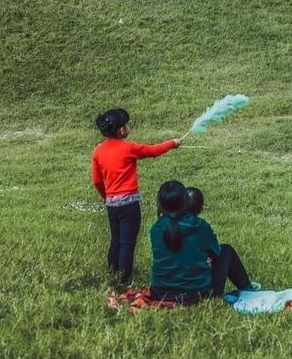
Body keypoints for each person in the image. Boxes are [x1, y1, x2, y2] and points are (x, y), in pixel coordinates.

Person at [91, 108, 181, 287]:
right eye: (127, 124)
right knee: (127, 243)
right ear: (121, 130)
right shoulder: (129, 148)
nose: (128, 126)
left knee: (115, 240)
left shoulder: (98, 151)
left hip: (112, 204)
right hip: (129, 205)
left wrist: (106, 197)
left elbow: (96, 181)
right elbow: (153, 151)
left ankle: (113, 273)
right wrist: (173, 142)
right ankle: (125, 281)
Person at [150, 180, 258, 303]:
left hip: (160, 293)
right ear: (185, 203)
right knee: (226, 250)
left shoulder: (155, 229)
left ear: (161, 204)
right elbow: (216, 252)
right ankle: (247, 289)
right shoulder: (200, 226)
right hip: (197, 295)